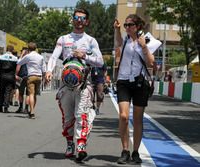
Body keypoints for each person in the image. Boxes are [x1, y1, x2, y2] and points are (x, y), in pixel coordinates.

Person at [45, 8, 103, 162]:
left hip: (84, 85)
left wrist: (84, 55)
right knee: (68, 117)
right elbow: (53, 56)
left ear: (87, 22)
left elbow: (100, 61)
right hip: (66, 84)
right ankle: (70, 144)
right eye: (76, 17)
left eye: (82, 18)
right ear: (72, 19)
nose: (79, 21)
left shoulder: (91, 41)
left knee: (81, 114)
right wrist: (49, 71)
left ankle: (81, 145)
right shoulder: (63, 39)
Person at [114, 14, 155, 164]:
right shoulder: (124, 39)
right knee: (124, 116)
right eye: (125, 25)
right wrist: (117, 30)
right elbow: (117, 43)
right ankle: (125, 151)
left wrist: (143, 46)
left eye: (130, 25)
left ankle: (135, 152)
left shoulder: (148, 40)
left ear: (137, 27)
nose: (127, 27)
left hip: (140, 82)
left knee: (138, 119)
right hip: (123, 81)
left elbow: (151, 63)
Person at [16, 42, 46, 119]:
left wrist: (22, 55)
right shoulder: (40, 57)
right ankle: (32, 110)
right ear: (35, 48)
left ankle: (32, 112)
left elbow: (19, 62)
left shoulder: (28, 56)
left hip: (31, 76)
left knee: (31, 94)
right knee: (35, 94)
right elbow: (43, 68)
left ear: (28, 49)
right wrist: (44, 77)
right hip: (39, 76)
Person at [0, 45, 18, 113]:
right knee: (8, 92)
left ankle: (0, 107)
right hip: (11, 76)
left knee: (1, 91)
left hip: (3, 76)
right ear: (12, 50)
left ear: (6, 49)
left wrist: (0, 74)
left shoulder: (1, 57)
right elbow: (16, 69)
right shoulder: (15, 58)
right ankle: (6, 107)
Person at [15, 47, 29, 113]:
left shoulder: (21, 59)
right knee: (28, 94)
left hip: (21, 77)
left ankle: (20, 107)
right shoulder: (30, 59)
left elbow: (18, 68)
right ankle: (26, 108)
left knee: (21, 93)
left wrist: (16, 75)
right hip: (29, 77)